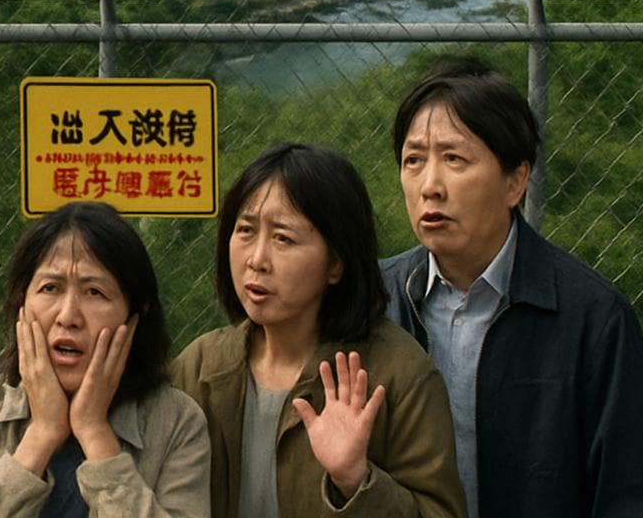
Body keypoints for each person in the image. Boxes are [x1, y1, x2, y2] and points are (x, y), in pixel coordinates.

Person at [382, 55, 643, 518]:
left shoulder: (593, 318)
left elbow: (626, 493)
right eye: (413, 160)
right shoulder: (374, 299)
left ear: (516, 181)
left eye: (454, 159)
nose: (430, 186)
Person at [173, 142, 464, 518]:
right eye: (245, 230)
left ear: (336, 264)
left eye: (283, 238)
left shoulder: (397, 374)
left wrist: (355, 479)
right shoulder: (199, 368)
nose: (257, 259)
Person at [0, 200, 210, 517]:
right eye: (50, 287)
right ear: (21, 305)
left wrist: (96, 434)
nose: (68, 316)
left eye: (94, 292)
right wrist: (41, 435)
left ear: (135, 316)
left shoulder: (176, 421)